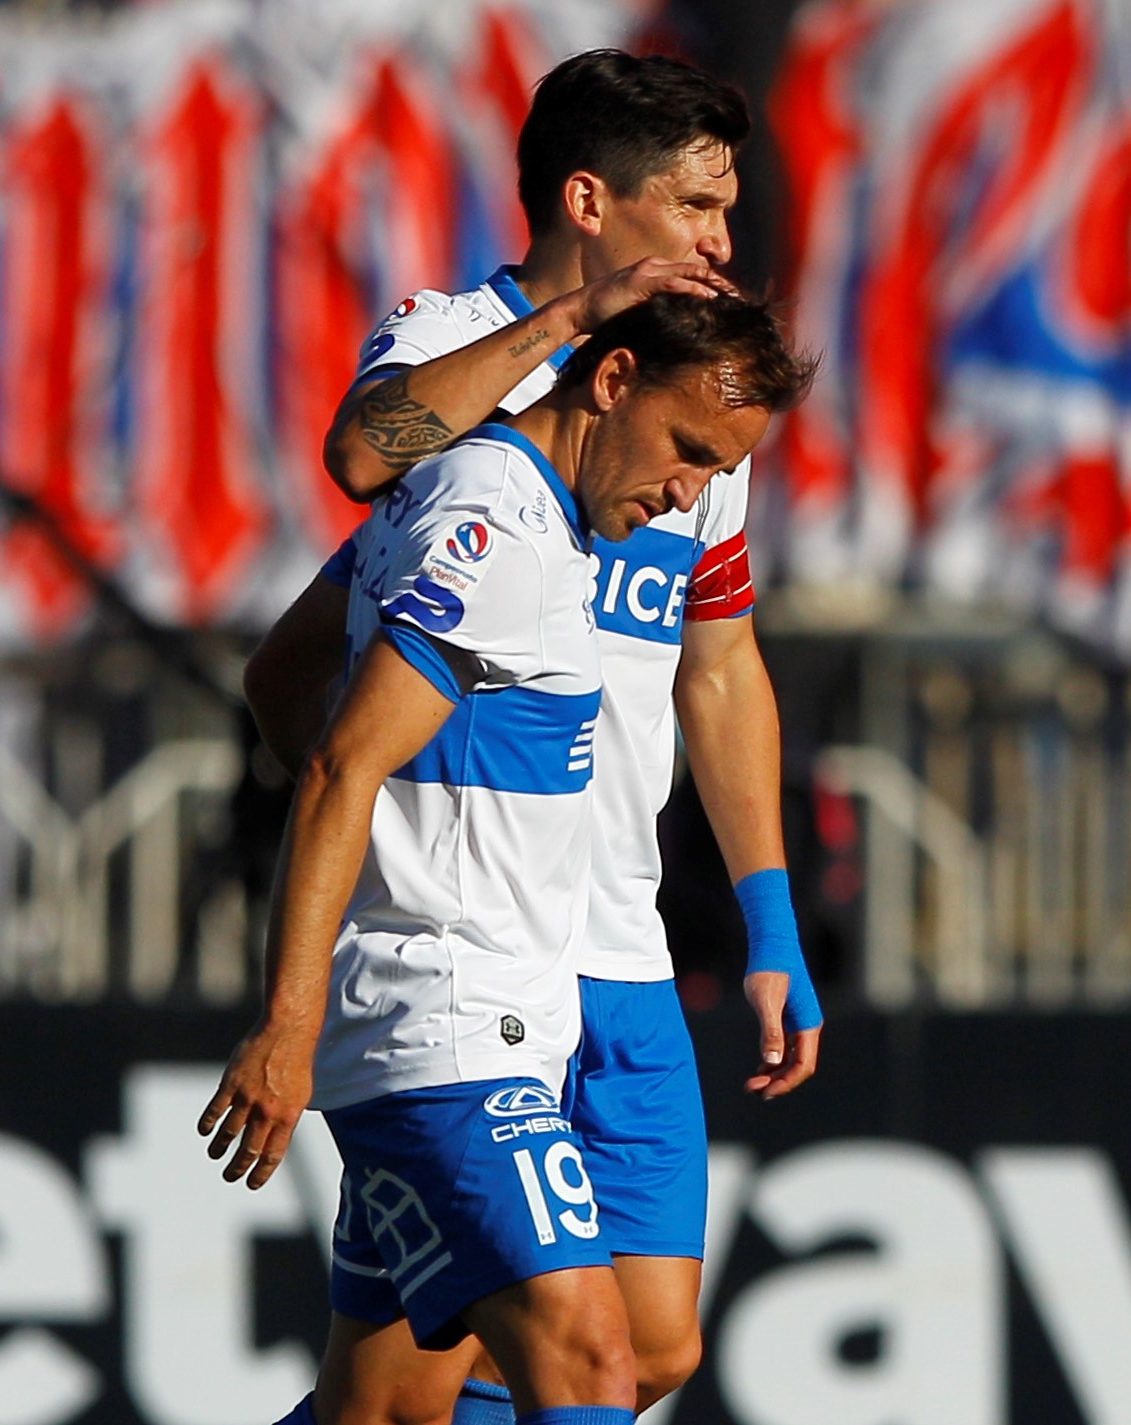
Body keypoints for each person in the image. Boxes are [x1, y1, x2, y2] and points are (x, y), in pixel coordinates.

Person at [243, 50, 821, 1425]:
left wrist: (769, 919)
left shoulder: (696, 405)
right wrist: (371, 813)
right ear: (590, 200)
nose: (718, 241)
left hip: (604, 924)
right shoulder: (463, 363)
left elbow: (721, 663)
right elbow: (361, 457)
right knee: (570, 1355)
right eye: (694, 207)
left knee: (637, 1349)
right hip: (464, 941)